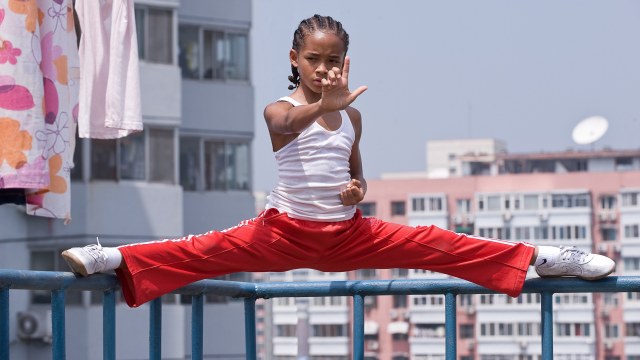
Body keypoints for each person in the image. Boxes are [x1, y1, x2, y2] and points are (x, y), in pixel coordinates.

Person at [62, 15, 615, 308]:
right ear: (295, 60)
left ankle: (544, 257)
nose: (324, 69)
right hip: (282, 232)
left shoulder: (351, 117)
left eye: (333, 61)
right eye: (313, 60)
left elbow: (355, 174)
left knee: (437, 243)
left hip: (348, 235)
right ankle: (108, 257)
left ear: (344, 62)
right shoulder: (281, 108)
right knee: (200, 250)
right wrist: (320, 106)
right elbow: (282, 129)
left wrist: (357, 191)